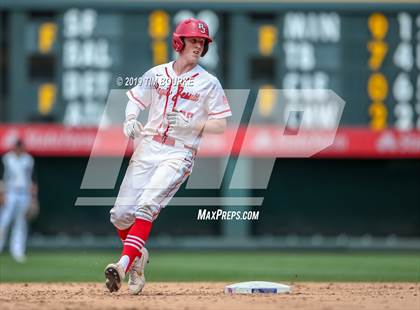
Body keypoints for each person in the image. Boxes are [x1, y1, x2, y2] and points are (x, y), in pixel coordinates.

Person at [104, 18, 231, 294]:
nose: (198, 46)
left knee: (146, 205)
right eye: (193, 40)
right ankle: (138, 259)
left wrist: (192, 125)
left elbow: (221, 125)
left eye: (202, 42)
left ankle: (124, 264)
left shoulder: (209, 83)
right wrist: (129, 120)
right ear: (179, 42)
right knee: (120, 215)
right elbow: (135, 101)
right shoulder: (156, 73)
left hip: (179, 153)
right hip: (148, 147)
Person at [0, 139, 37, 263]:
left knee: (20, 223)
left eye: (21, 147)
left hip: (24, 193)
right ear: (14, 147)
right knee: (4, 221)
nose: (20, 149)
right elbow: (1, 177)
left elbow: (33, 180)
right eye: (18, 147)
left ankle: (18, 251)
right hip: (10, 192)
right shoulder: (6, 158)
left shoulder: (28, 159)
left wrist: (33, 199)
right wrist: (2, 194)